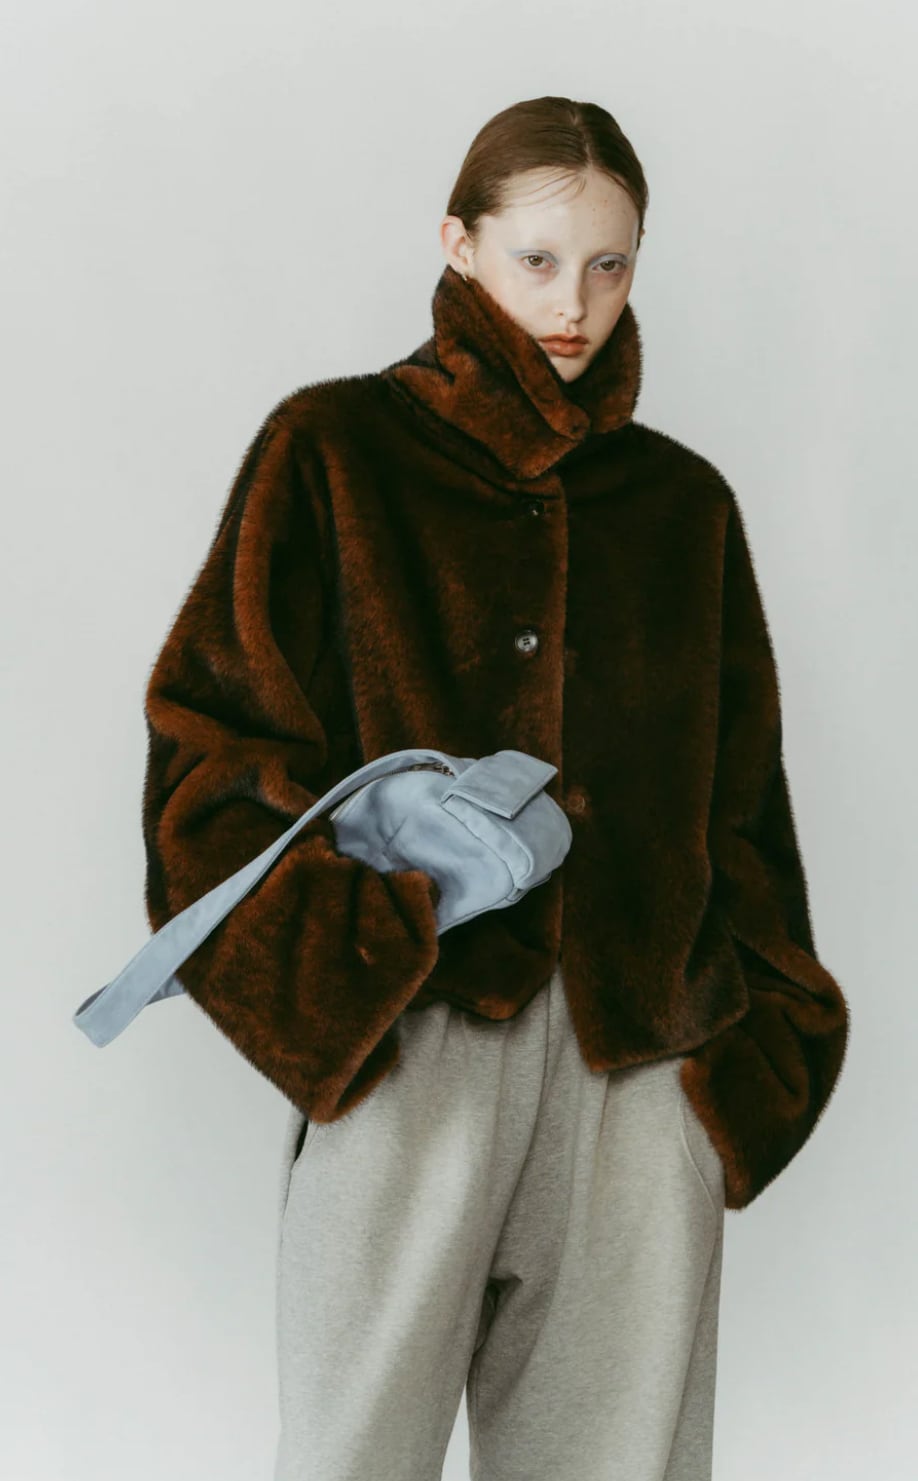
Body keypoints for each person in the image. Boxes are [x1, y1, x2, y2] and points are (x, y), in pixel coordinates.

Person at [141, 97, 849, 1481]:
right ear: (457, 244)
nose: (574, 302)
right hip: (409, 1039)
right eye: (537, 259)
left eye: (609, 264)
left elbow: (745, 818)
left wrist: (746, 1075)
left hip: (638, 1070)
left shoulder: (683, 506)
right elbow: (208, 762)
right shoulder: (332, 451)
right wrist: (355, 974)